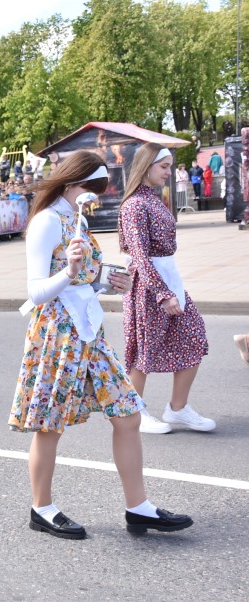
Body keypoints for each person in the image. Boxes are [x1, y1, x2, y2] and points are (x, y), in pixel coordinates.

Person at [10, 149, 193, 539]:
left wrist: (106, 283)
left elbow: (83, 283)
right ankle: (42, 508)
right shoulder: (46, 221)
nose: (93, 197)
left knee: (128, 414)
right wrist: (70, 271)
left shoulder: (75, 219)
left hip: (89, 331)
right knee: (50, 425)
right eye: (91, 189)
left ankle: (139, 508)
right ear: (72, 182)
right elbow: (36, 291)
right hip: (58, 334)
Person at [118, 143, 215, 434]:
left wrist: (169, 288)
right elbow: (139, 255)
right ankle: (135, 413)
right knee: (143, 351)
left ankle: (178, 409)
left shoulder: (153, 199)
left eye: (170, 167)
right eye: (164, 166)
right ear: (146, 165)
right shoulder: (135, 205)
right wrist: (163, 293)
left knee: (194, 337)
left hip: (168, 280)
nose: (168, 172)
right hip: (147, 287)